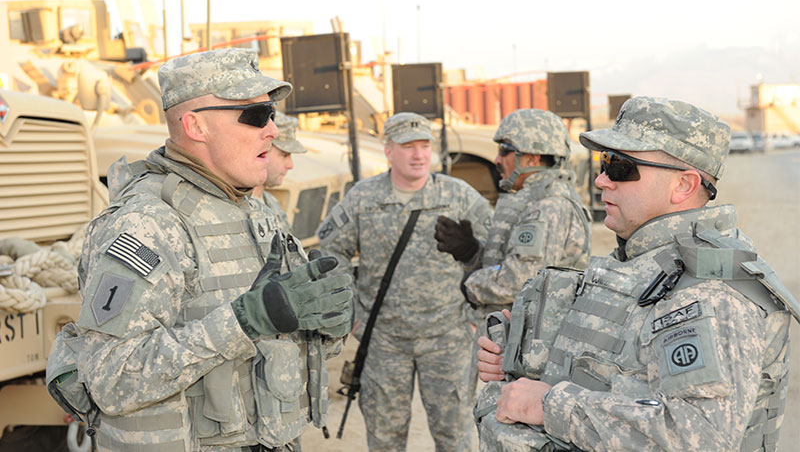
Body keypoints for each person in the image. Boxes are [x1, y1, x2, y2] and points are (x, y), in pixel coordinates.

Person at [57, 48, 354, 452]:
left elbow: (276, 335)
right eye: (254, 116)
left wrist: (321, 325)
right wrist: (246, 321)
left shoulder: (254, 210)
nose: (271, 130)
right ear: (195, 125)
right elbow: (111, 378)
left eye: (270, 114)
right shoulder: (148, 224)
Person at [475, 96, 799, 451]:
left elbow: (698, 436)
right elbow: (622, 372)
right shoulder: (644, 261)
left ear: (684, 186)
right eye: (603, 162)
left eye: (619, 166)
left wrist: (550, 404)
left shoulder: (709, 292)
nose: (601, 180)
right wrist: (523, 362)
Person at [316, 112, 493, 452]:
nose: (418, 155)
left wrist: (476, 318)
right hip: (383, 341)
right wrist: (350, 313)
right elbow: (331, 255)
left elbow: (494, 255)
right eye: (408, 146)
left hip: (448, 339)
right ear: (388, 151)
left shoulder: (458, 195)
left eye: (425, 146)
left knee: (455, 438)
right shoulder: (363, 198)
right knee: (385, 440)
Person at [435, 108, 592, 326]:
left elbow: (519, 279)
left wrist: (471, 285)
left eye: (505, 150)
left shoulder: (549, 206)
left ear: (531, 158)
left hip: (530, 345)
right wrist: (472, 252)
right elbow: (510, 264)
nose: (497, 159)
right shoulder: (532, 200)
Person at [252, 111, 307, 232]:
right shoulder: (239, 207)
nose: (290, 165)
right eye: (284, 155)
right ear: (263, 151)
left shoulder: (271, 202)